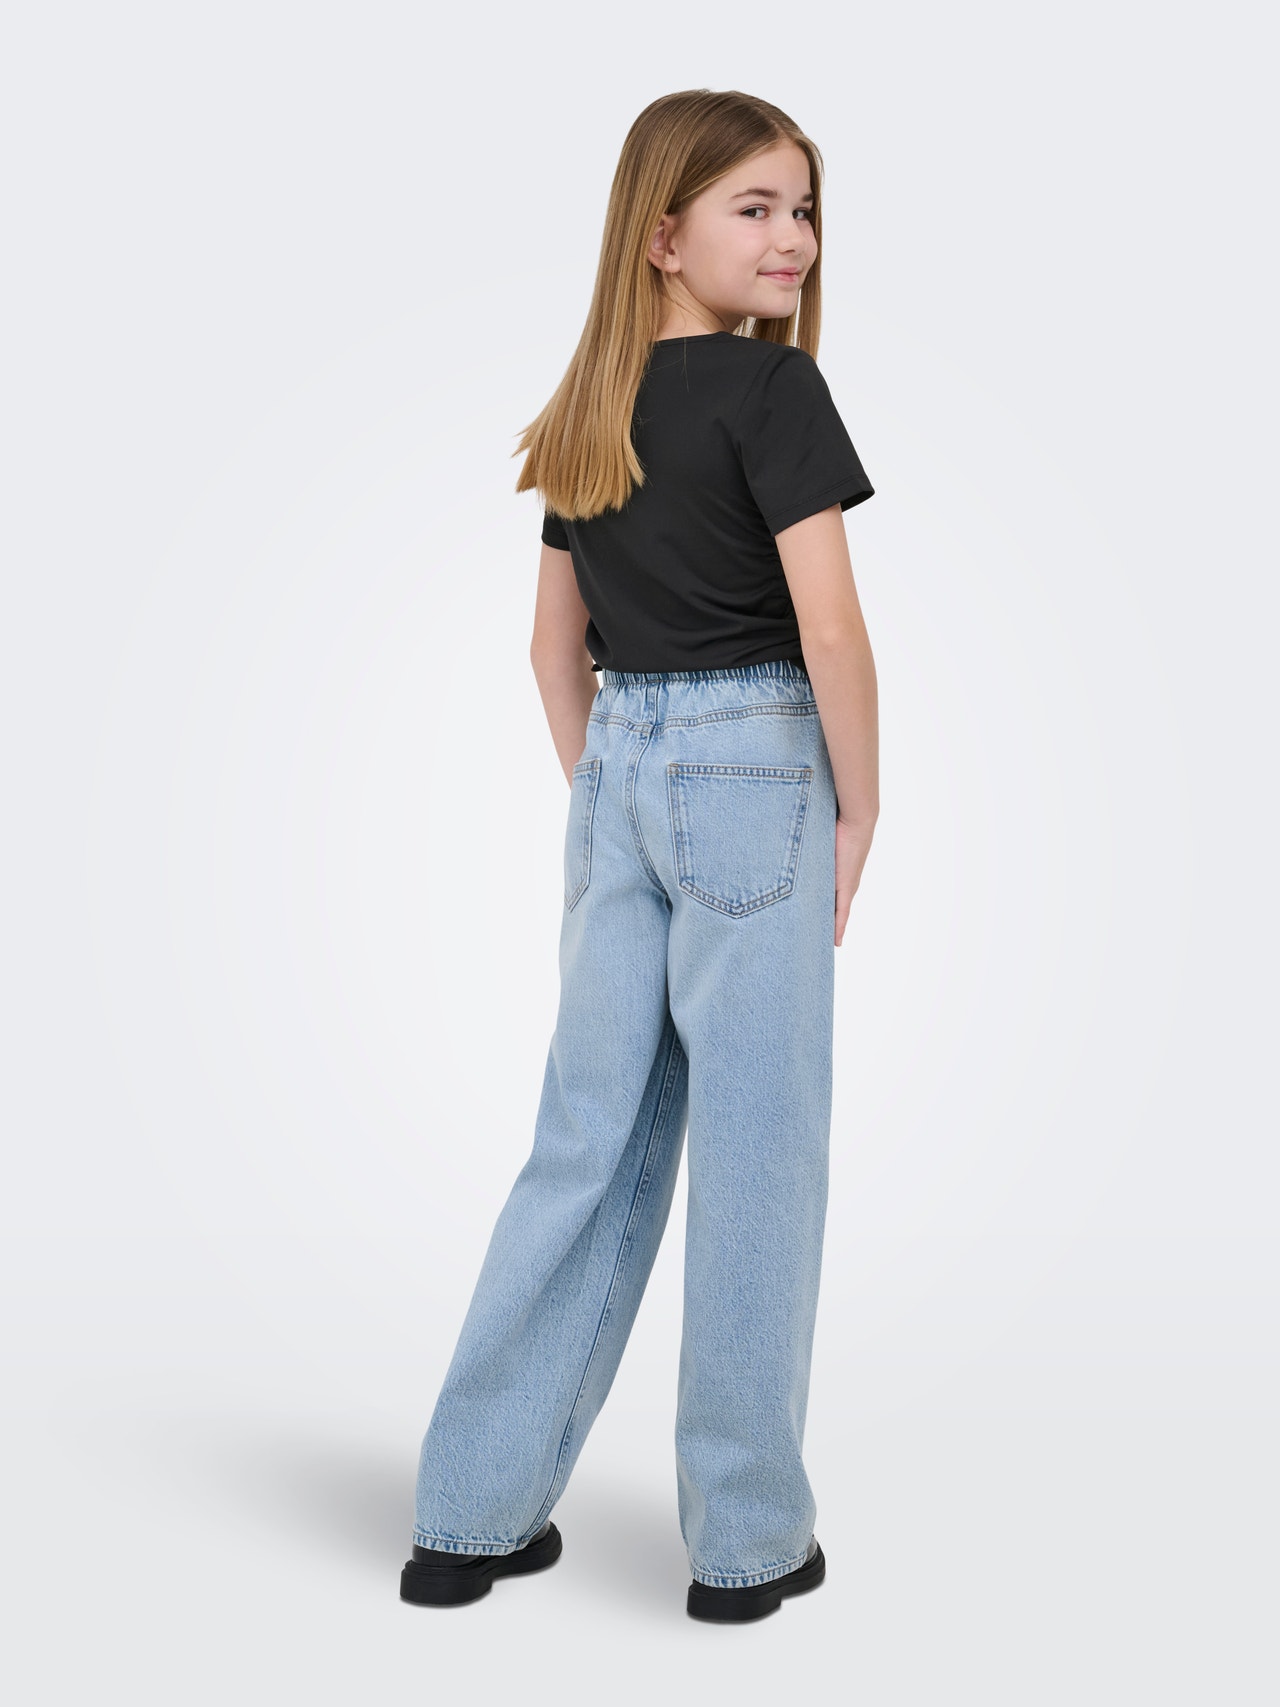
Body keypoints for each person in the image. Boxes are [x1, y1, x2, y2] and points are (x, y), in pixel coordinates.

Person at [400, 87, 879, 1625]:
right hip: (759, 771)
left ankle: (466, 1520)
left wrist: (619, 792)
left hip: (618, 781)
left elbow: (555, 653)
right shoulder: (774, 392)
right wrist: (857, 809)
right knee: (757, 1156)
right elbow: (829, 629)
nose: (793, 238)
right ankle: (746, 1547)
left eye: (804, 209)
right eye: (756, 207)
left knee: (584, 1143)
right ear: (662, 235)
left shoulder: (586, 408)